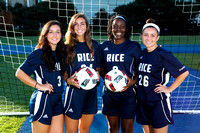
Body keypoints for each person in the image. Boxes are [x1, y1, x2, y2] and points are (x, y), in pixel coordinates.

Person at [136, 18, 189, 133]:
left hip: (158, 103)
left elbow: (184, 73)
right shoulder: (141, 54)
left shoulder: (163, 54)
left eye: (152, 35)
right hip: (142, 102)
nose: (148, 38)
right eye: (146, 35)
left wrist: (169, 89)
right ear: (141, 36)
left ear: (157, 37)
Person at [15, 20, 66, 133]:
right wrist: (39, 86)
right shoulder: (39, 53)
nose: (54, 35)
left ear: (61, 35)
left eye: (57, 32)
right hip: (44, 99)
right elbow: (20, 73)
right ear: (45, 34)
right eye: (51, 32)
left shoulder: (60, 53)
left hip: (57, 99)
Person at [99, 14, 142, 133]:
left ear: (126, 28)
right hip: (110, 94)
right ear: (110, 28)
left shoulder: (133, 46)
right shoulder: (104, 46)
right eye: (115, 26)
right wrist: (107, 80)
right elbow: (100, 68)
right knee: (112, 129)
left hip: (128, 94)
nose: (118, 29)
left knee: (127, 130)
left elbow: (141, 69)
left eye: (122, 26)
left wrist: (132, 82)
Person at [63, 13, 101, 133]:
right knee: (71, 131)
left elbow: (98, 67)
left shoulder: (94, 45)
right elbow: (62, 71)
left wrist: (96, 75)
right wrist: (67, 80)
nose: (79, 27)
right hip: (74, 93)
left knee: (85, 129)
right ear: (72, 27)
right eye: (76, 24)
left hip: (91, 93)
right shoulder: (66, 47)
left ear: (87, 26)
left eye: (82, 24)